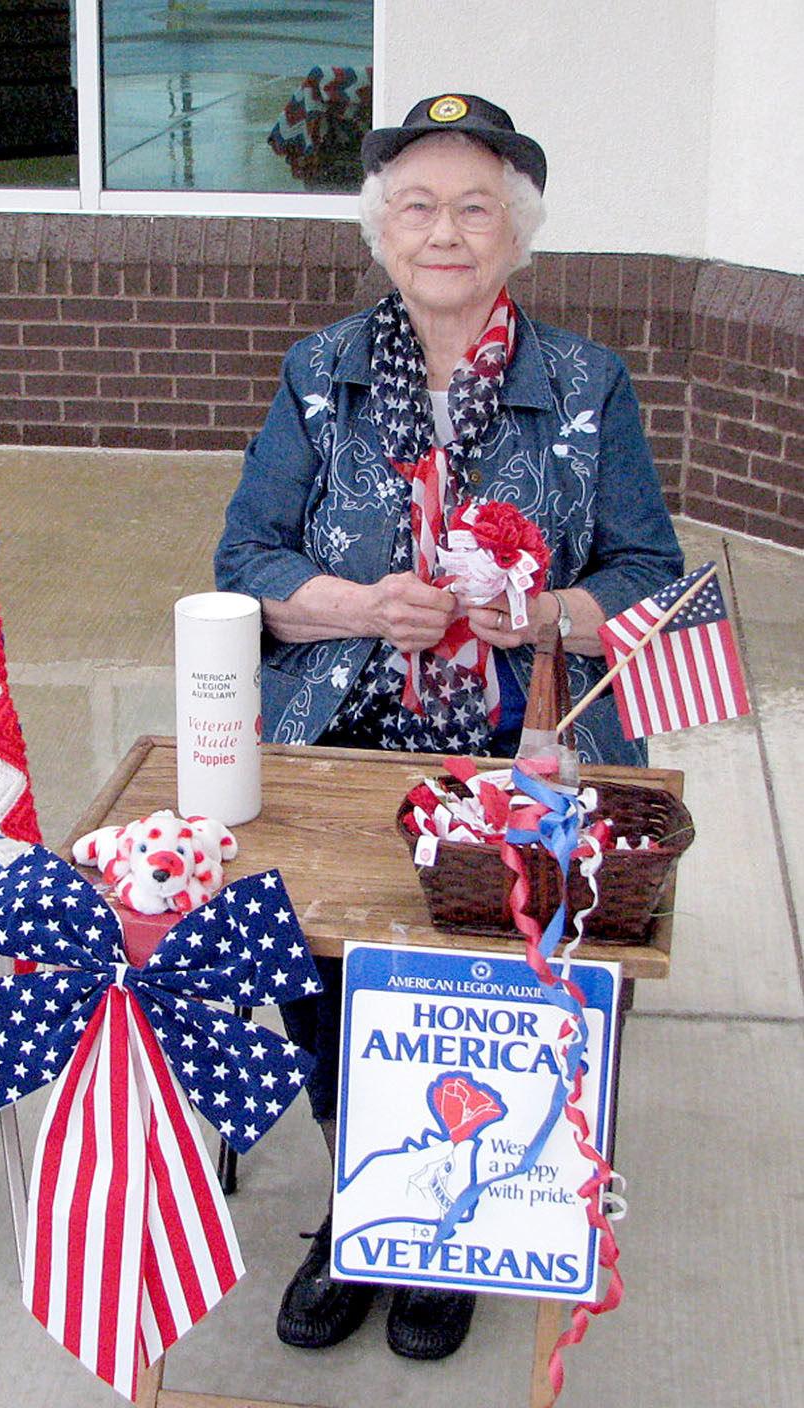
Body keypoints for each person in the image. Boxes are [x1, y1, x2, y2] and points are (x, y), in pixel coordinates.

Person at [214, 93, 683, 1361]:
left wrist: (534, 609)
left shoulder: (586, 384)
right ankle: (361, 1202)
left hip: (513, 746)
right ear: (379, 231)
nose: (443, 231)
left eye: (474, 207)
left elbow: (649, 575)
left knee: (478, 988)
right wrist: (365, 604)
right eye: (415, 205)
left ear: (514, 235)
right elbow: (245, 558)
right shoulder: (322, 372)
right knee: (315, 972)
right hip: (347, 729)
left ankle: (448, 1222)